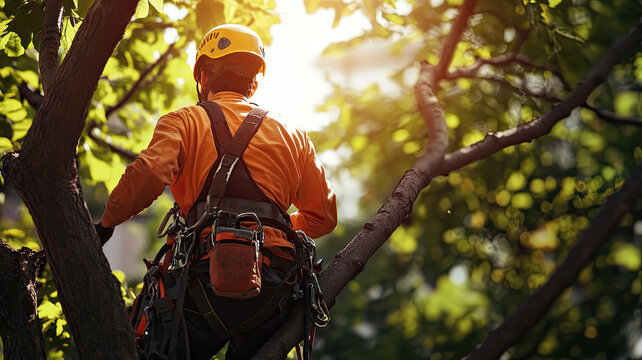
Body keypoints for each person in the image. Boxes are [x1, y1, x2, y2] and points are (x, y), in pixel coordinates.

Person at [95, 24, 337, 359]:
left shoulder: (184, 121)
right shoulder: (293, 134)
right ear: (253, 80)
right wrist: (274, 231)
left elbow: (149, 172)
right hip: (273, 292)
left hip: (202, 285)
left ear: (204, 75)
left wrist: (106, 223)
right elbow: (323, 217)